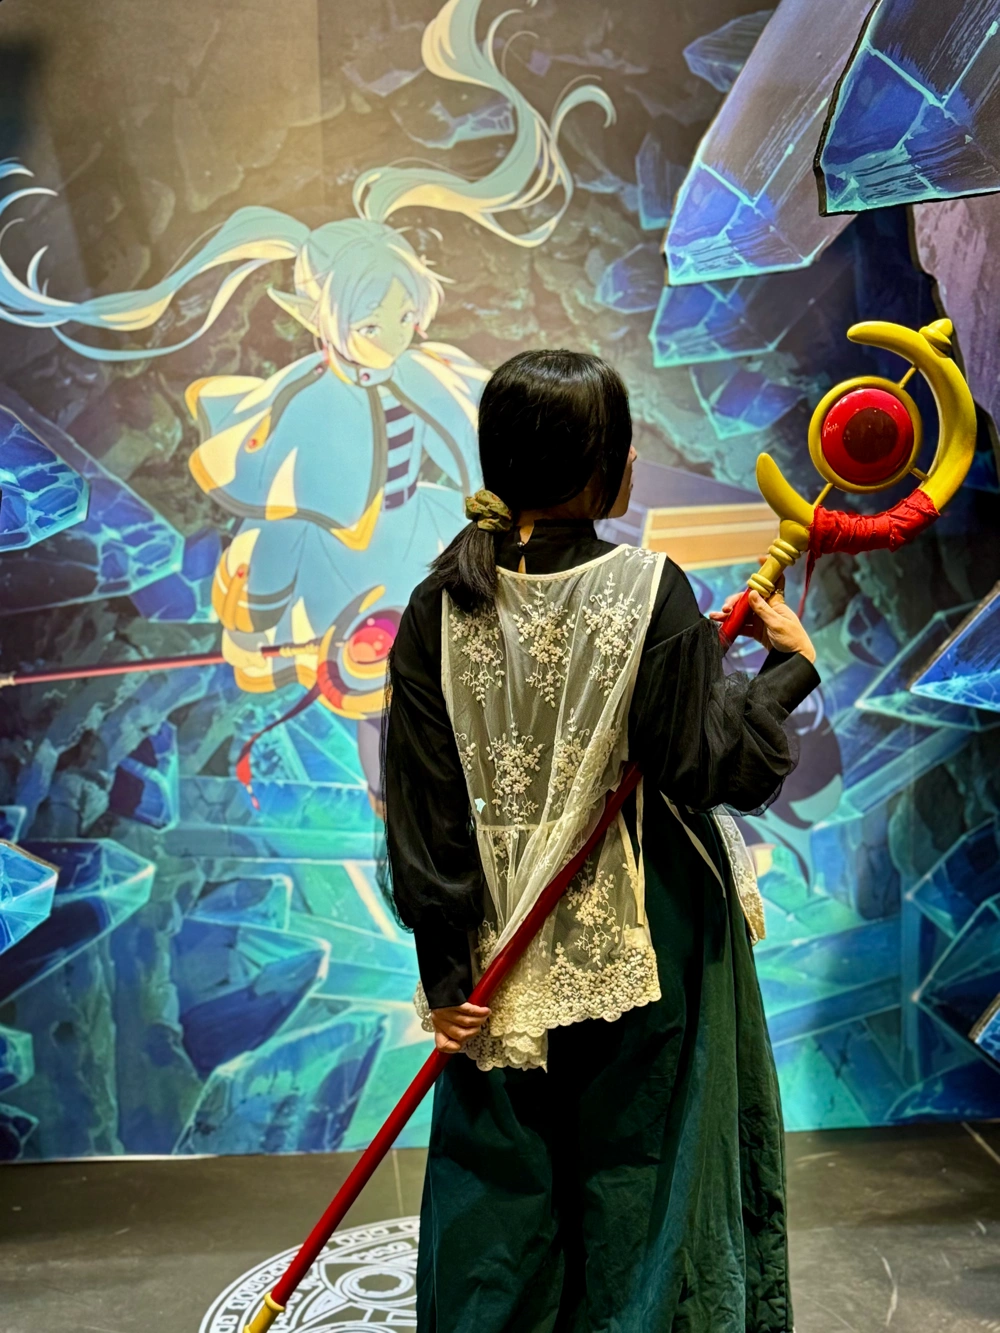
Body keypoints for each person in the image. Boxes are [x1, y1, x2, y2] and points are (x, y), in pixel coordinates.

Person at [382, 349, 819, 1332]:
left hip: (491, 953)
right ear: (608, 465)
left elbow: (421, 803)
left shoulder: (437, 604)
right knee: (645, 1189)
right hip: (648, 943)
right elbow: (706, 766)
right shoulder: (649, 590)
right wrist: (787, 670)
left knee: (500, 1195)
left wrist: (446, 972)